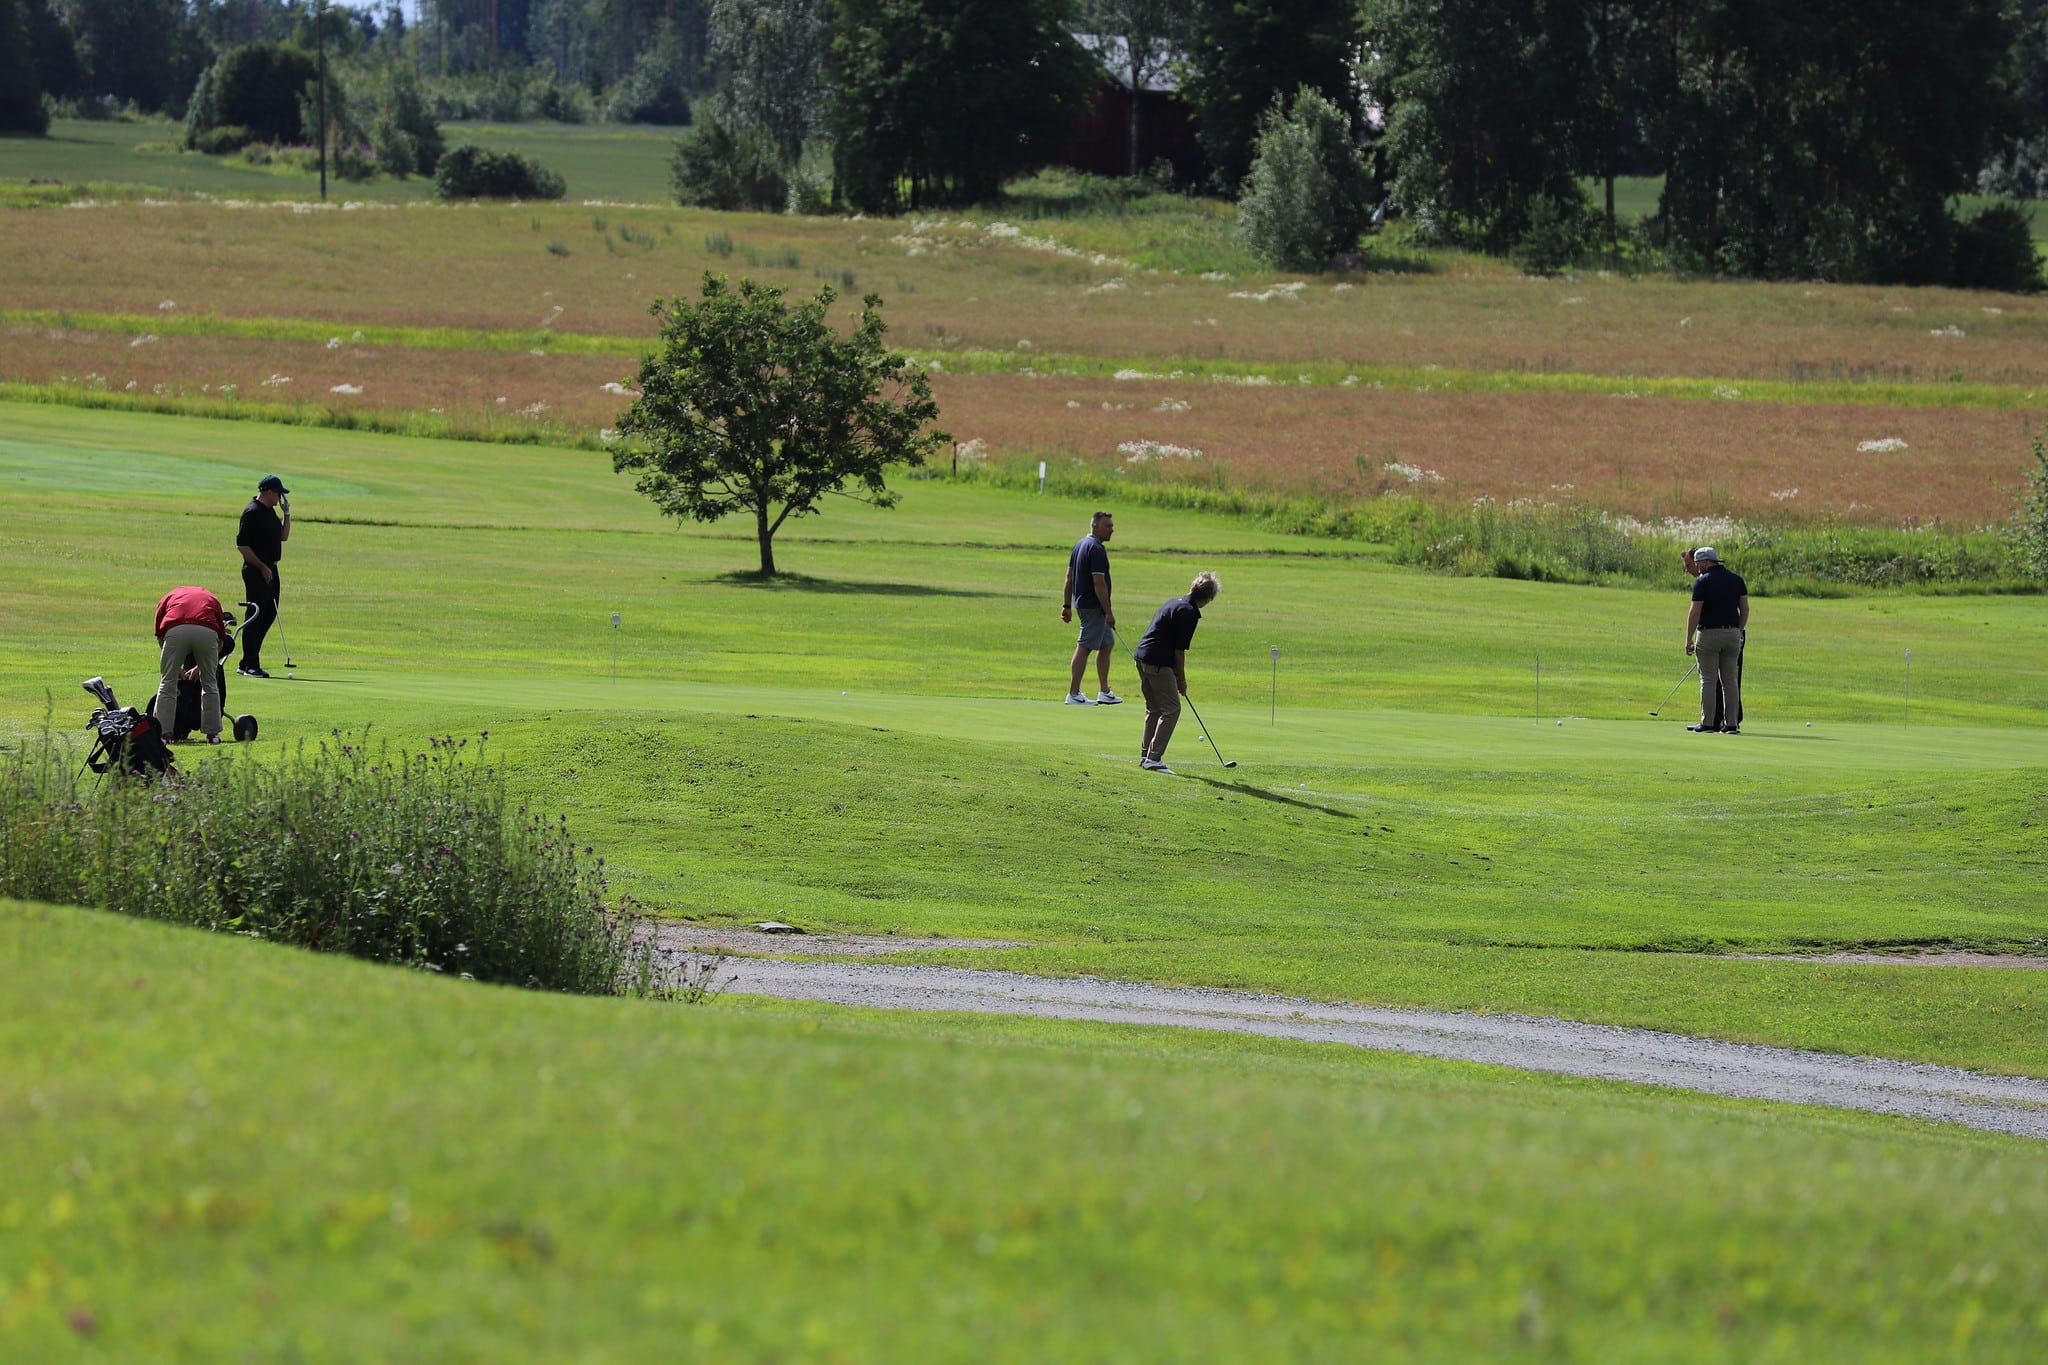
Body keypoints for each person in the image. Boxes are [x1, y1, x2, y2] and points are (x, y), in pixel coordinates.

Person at [1132, 571, 1221, 774]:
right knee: (1172, 709)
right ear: (1208, 599)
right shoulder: (1189, 612)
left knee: (1154, 708)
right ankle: (1153, 759)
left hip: (1142, 657)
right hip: (1157, 662)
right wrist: (1181, 680)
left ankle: (1146, 755)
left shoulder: (1174, 602)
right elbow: (1178, 652)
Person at [153, 585, 232, 745]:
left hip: (176, 631)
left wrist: (175, 669)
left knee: (167, 683)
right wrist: (203, 668)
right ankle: (213, 735)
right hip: (207, 632)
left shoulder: (169, 596)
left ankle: (163, 735)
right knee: (210, 684)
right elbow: (222, 640)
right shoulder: (211, 598)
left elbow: (160, 635)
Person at [1061, 510, 1122, 705]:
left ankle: (1104, 691)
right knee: (1085, 647)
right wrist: (1109, 611)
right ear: (1094, 526)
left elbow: (1069, 578)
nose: (1112, 529)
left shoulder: (1080, 544)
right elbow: (1099, 583)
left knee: (1106, 644)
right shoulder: (1095, 549)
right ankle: (1073, 693)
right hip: (1093, 606)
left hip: (1085, 604)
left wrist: (1066, 605)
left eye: (1112, 525)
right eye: (1108, 526)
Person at [1685, 546, 1749, 733]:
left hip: (1709, 635)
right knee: (1730, 680)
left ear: (1705, 562)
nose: (1697, 568)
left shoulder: (1702, 582)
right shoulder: (1737, 580)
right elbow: (1745, 609)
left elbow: (1695, 612)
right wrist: (1739, 630)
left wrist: (1689, 638)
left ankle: (1708, 723)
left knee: (1708, 679)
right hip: (1732, 635)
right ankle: (1731, 724)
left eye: (1698, 564)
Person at [236, 474, 291, 678]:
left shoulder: (269, 512)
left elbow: (283, 536)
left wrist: (287, 515)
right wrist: (261, 567)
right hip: (255, 570)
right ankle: (249, 664)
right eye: (278, 493)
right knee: (256, 614)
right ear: (269, 492)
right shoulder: (252, 512)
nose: (280, 498)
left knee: (269, 613)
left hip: (271, 569)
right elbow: (242, 545)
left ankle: (249, 660)